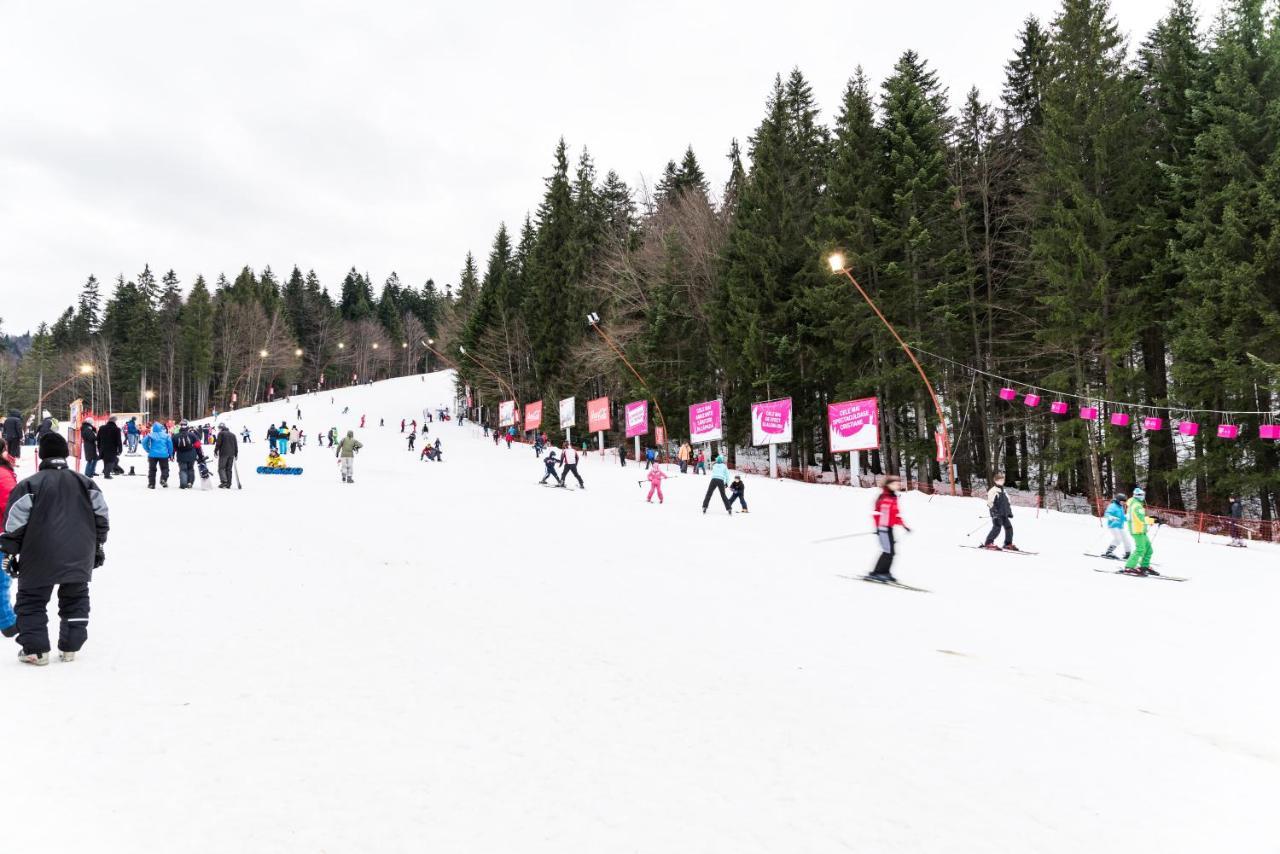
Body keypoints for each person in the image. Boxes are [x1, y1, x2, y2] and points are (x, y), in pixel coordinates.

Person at [1, 431, 110, 665]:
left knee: (31, 600)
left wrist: (9, 551)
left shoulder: (30, 484)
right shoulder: (86, 483)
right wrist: (98, 545)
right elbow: (101, 516)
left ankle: (36, 650)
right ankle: (71, 647)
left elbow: (14, 523)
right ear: (64, 455)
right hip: (80, 552)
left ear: (43, 456)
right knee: (76, 597)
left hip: (38, 553)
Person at [868, 475, 910, 583]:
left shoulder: (893, 497)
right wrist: (880, 528)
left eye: (898, 483)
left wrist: (904, 525)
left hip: (889, 528)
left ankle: (885, 572)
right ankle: (877, 573)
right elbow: (877, 514)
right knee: (888, 551)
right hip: (883, 528)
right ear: (889, 485)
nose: (898, 485)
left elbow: (895, 514)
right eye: (895, 483)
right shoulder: (884, 497)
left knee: (891, 552)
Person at [0, 448, 18, 638]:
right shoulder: (2, 474)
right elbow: (11, 506)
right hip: (1, 534)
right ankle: (7, 622)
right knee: (1, 579)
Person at [1123, 488, 1158, 576]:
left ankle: (1144, 566)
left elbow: (1140, 517)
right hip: (1137, 530)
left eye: (1143, 494)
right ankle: (1129, 567)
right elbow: (1141, 519)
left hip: (1141, 530)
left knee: (1149, 550)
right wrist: (1153, 521)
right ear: (1135, 495)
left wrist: (1152, 518)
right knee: (1140, 549)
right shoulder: (1136, 505)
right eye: (1140, 495)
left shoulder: (1136, 504)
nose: (1142, 496)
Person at [981, 473, 1017, 551]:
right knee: (997, 527)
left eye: (1002, 480)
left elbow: (1007, 503)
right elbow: (990, 502)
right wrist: (994, 511)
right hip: (997, 513)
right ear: (995, 481)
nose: (1001, 481)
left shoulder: (1004, 491)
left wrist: (1009, 512)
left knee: (1009, 528)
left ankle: (1007, 544)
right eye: (999, 480)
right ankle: (988, 543)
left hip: (1004, 514)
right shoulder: (993, 490)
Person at [142, 422, 173, 489]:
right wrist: (170, 454)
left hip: (152, 455)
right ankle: (163, 479)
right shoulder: (166, 435)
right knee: (165, 468)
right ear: (161, 428)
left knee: (152, 469)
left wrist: (148, 449)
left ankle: (151, 484)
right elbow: (170, 445)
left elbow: (144, 442)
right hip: (163, 455)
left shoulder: (151, 435)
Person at [1102, 493, 1132, 560]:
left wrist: (1127, 518)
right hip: (1113, 525)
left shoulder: (1120, 507)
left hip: (1120, 526)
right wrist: (1111, 517)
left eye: (1124, 502)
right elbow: (1106, 514)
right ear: (1118, 500)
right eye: (1122, 501)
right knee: (1118, 539)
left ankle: (1128, 554)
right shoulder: (1113, 506)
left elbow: (1121, 517)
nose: (1123, 503)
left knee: (1126, 539)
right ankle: (1109, 552)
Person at [173, 421, 201, 489]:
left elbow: (173, 448)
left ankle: (183, 484)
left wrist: (172, 455)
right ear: (187, 426)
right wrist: (200, 455)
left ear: (180, 426)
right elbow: (198, 445)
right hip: (191, 455)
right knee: (190, 469)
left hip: (181, 456)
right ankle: (190, 483)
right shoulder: (192, 435)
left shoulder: (176, 436)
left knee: (183, 469)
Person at [97, 415, 123, 480]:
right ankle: (107, 474)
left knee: (105, 460)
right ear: (114, 421)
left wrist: (99, 447)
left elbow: (98, 439)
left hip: (103, 447)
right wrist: (120, 449)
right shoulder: (117, 429)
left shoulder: (102, 428)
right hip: (112, 448)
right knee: (111, 461)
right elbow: (118, 440)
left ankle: (106, 472)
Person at [214, 423, 238, 488]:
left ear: (221, 428)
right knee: (229, 469)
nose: (218, 429)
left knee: (221, 468)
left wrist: (215, 451)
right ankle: (228, 483)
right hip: (232, 454)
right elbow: (236, 445)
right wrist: (236, 454)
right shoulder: (233, 434)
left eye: (219, 428)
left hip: (224, 453)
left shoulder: (221, 434)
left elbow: (218, 443)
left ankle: (224, 481)